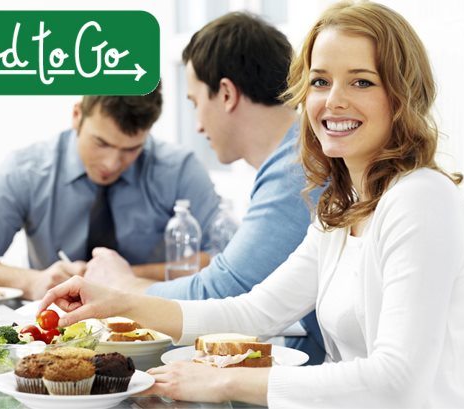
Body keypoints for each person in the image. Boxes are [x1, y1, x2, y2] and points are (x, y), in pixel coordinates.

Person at [38, 1, 464, 407]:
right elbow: (250, 311)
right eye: (320, 81)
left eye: (361, 81)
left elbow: (397, 381)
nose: (333, 101)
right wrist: (117, 303)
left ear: (401, 95)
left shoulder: (420, 198)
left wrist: (225, 383)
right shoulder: (340, 208)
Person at [82, 12, 326, 364]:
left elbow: (223, 292)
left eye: (195, 103)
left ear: (226, 94)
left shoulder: (297, 169)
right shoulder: (293, 160)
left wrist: (122, 287)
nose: (197, 126)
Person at [0, 84, 222, 300]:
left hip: (158, 332)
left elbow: (223, 259)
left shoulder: (179, 169)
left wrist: (123, 277)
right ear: (76, 115)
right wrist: (33, 281)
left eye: (131, 149)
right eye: (101, 143)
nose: (112, 163)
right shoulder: (26, 170)